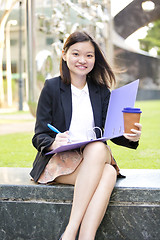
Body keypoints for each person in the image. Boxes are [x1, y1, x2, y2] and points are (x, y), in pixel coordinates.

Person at [30, 31, 142, 240]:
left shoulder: (101, 91)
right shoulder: (52, 87)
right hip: (60, 160)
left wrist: (131, 137)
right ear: (64, 55)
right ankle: (76, 233)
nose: (83, 60)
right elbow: (39, 135)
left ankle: (78, 236)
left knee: (101, 157)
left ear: (94, 59)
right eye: (76, 54)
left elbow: (113, 133)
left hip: (93, 159)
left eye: (89, 55)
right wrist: (54, 143)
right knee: (105, 166)